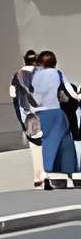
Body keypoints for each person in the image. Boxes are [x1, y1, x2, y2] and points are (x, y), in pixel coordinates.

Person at [29, 49, 79, 188]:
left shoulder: (34, 76)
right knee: (65, 141)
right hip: (54, 111)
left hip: (38, 113)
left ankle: (49, 174)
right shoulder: (58, 73)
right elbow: (69, 91)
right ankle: (66, 173)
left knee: (46, 142)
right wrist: (77, 97)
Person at [11, 50, 43, 186]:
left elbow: (13, 95)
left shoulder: (17, 76)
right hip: (44, 113)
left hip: (28, 117)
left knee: (35, 147)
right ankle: (48, 174)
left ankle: (38, 177)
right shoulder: (42, 74)